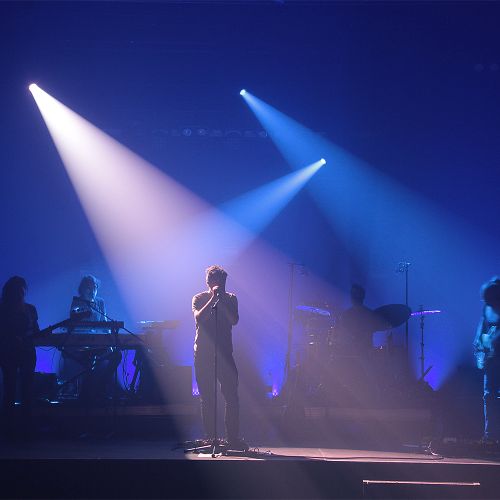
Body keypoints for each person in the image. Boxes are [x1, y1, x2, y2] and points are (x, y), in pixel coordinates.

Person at [192, 265, 245, 448]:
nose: (221, 285)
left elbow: (234, 320)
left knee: (231, 396)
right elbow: (199, 319)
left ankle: (233, 438)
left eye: (223, 281)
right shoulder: (199, 298)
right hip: (203, 353)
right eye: (217, 281)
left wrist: (221, 301)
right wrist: (213, 299)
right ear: (209, 282)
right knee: (207, 397)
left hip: (225, 353)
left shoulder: (231, 298)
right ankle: (211, 437)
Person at [61, 275, 121, 403]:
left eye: (95, 288)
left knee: (116, 355)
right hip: (79, 345)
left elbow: (104, 323)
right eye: (89, 288)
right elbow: (74, 323)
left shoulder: (100, 302)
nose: (92, 291)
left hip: (97, 343)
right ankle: (88, 393)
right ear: (82, 289)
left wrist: (110, 342)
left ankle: (100, 388)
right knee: (89, 362)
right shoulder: (77, 302)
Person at [0, 276, 39, 429]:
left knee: (25, 390)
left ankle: (23, 427)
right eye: (17, 291)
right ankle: (10, 427)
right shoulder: (3, 309)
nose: (21, 294)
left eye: (22, 290)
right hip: (9, 353)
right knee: (10, 389)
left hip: (26, 353)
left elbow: (36, 331)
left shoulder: (30, 309)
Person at [473, 276, 500, 442]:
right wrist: (479, 345)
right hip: (491, 359)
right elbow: (483, 327)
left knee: (491, 396)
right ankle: (490, 436)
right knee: (488, 396)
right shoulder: (487, 306)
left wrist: (492, 342)